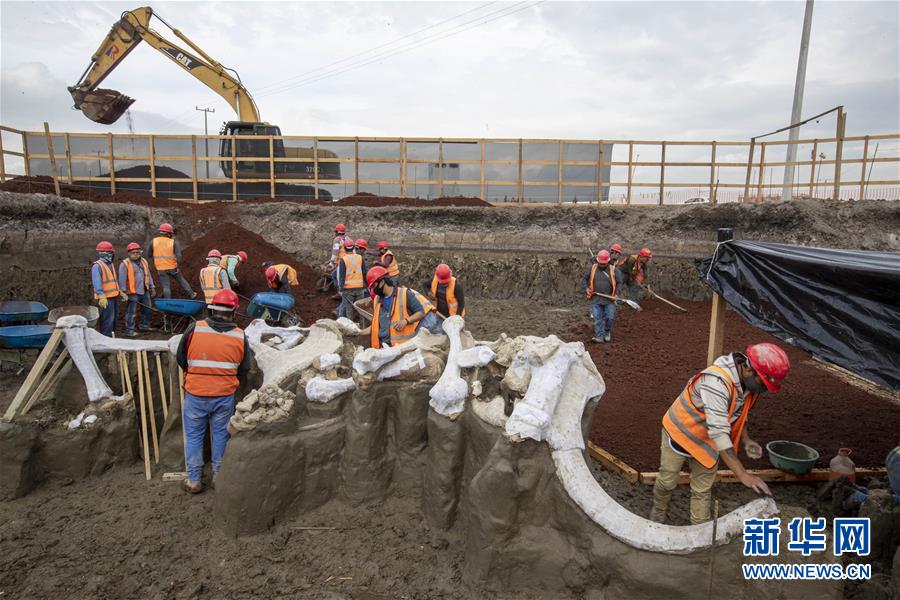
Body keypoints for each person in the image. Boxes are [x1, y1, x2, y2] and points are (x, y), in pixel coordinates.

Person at [650, 343, 791, 525]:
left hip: (707, 440)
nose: (764, 390)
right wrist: (742, 474)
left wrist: (746, 440)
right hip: (681, 432)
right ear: (748, 369)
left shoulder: (748, 385)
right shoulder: (716, 383)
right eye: (763, 384)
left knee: (702, 491)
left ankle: (700, 531)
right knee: (667, 480)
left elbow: (737, 413)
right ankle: (659, 508)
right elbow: (719, 434)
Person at [175, 289, 251, 494]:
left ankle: (193, 480)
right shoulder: (240, 336)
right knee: (220, 435)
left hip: (195, 392)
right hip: (224, 395)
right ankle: (219, 476)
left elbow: (181, 358)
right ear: (234, 311)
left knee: (193, 435)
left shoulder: (194, 329)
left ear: (211, 310)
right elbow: (244, 369)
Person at [358, 266, 428, 348]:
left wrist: (406, 321)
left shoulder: (404, 294)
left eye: (374, 286)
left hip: (403, 347)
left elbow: (421, 313)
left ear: (382, 282)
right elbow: (376, 326)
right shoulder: (377, 300)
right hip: (384, 347)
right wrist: (359, 332)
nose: (373, 290)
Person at [146, 223, 196, 299]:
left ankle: (168, 302)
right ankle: (192, 294)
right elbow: (179, 256)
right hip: (173, 267)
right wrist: (177, 266)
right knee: (181, 280)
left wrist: (156, 260)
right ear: (168, 233)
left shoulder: (153, 241)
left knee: (166, 286)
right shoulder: (173, 242)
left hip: (161, 268)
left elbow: (149, 255)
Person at [582, 250, 621, 343]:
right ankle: (599, 336)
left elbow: (619, 283)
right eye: (600, 263)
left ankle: (607, 331)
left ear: (608, 262)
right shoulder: (592, 268)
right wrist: (587, 288)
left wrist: (616, 294)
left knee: (610, 317)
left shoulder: (613, 270)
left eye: (604, 264)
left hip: (609, 299)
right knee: (597, 318)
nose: (602, 265)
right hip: (596, 298)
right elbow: (585, 279)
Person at [118, 242, 155, 337]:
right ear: (129, 253)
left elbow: (148, 275)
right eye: (133, 253)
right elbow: (121, 279)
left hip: (144, 290)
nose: (135, 254)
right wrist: (123, 292)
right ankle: (129, 330)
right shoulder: (124, 264)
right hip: (132, 292)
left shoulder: (144, 261)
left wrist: (152, 286)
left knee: (147, 309)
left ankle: (144, 325)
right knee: (132, 312)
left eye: (137, 252)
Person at [92, 241, 122, 337]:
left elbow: (113, 281)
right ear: (107, 254)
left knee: (114, 318)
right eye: (111, 252)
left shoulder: (110, 264)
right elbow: (97, 283)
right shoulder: (97, 266)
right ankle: (105, 338)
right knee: (107, 319)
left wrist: (119, 292)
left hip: (114, 296)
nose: (113, 254)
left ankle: (112, 336)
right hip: (105, 298)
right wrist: (101, 296)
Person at [425, 264, 465, 330]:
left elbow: (461, 303)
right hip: (440, 315)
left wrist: (457, 318)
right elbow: (424, 284)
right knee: (441, 334)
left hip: (454, 316)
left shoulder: (457, 286)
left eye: (446, 282)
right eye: (443, 283)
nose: (445, 284)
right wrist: (428, 293)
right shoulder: (434, 281)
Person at [337, 239, 367, 320]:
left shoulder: (343, 260)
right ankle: (362, 328)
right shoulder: (360, 258)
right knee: (361, 310)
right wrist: (367, 285)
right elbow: (365, 273)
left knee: (349, 310)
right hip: (360, 288)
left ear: (345, 248)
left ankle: (351, 328)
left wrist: (340, 289)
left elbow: (342, 276)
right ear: (353, 247)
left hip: (348, 289)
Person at [330, 223, 351, 288]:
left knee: (334, 275)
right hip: (350, 261)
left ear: (337, 232)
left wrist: (331, 262)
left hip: (341, 262)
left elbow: (335, 253)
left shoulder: (337, 240)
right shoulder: (348, 238)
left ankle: (340, 291)